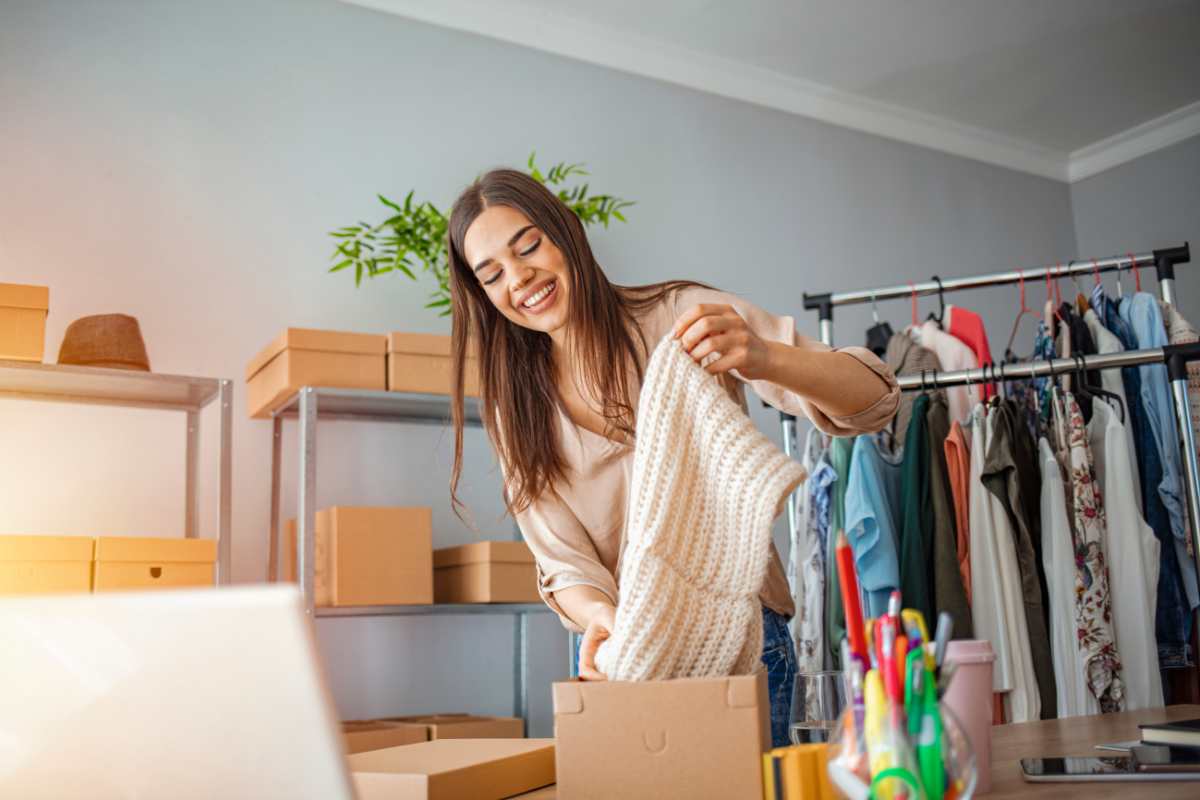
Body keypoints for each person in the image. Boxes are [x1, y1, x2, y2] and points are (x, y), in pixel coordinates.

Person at [446, 168, 898, 746]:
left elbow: (876, 401)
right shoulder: (517, 405)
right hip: (628, 660)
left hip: (745, 638)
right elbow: (561, 559)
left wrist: (763, 358)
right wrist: (600, 620)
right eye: (492, 275)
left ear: (566, 232)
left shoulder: (679, 317)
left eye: (528, 245)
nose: (520, 278)